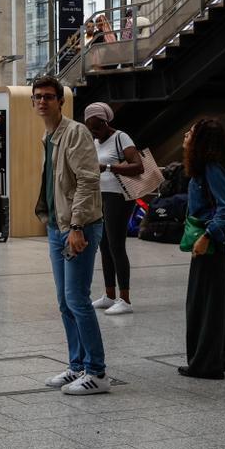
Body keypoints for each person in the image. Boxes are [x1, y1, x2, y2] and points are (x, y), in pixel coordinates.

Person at [32, 76, 108, 396]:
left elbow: (88, 182)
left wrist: (76, 227)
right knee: (65, 301)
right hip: (56, 227)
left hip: (79, 226)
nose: (42, 102)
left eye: (48, 97)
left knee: (77, 298)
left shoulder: (75, 133)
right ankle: (77, 365)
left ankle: (97, 372)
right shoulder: (48, 137)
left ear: (61, 101)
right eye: (37, 97)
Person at [178, 118, 225, 380]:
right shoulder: (211, 167)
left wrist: (207, 235)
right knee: (220, 302)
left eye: (191, 132)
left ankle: (205, 364)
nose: (185, 135)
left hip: (210, 245)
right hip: (213, 245)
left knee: (203, 304)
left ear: (201, 140)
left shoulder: (211, 168)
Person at [85, 102, 144, 316]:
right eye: (90, 128)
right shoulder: (94, 141)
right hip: (101, 196)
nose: (95, 132)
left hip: (119, 197)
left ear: (106, 122)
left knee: (116, 245)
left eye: (97, 127)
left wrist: (108, 167)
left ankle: (125, 298)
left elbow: (138, 166)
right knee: (104, 245)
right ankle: (109, 295)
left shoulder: (121, 137)